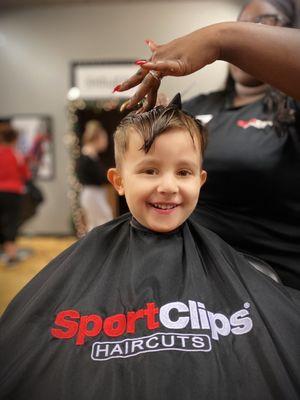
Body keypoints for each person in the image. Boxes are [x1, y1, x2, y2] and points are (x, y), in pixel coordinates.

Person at [0, 101, 299, 399]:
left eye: (184, 172)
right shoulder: (84, 260)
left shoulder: (228, 261)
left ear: (200, 180)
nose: (169, 186)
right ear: (118, 181)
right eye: (150, 170)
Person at [115, 0, 300, 290]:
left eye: (263, 25)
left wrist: (221, 37)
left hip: (273, 286)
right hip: (192, 278)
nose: (249, 34)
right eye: (243, 26)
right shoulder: (198, 105)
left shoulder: (291, 111)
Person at [0, 124, 31, 265]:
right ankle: (11, 255)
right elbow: (26, 174)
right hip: (13, 193)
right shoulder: (16, 154)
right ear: (15, 138)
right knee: (12, 222)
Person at [76, 120, 113, 231]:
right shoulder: (88, 157)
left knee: (98, 223)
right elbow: (101, 177)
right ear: (97, 138)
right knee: (102, 222)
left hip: (94, 193)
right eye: (104, 138)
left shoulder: (91, 156)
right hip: (92, 193)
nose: (106, 142)